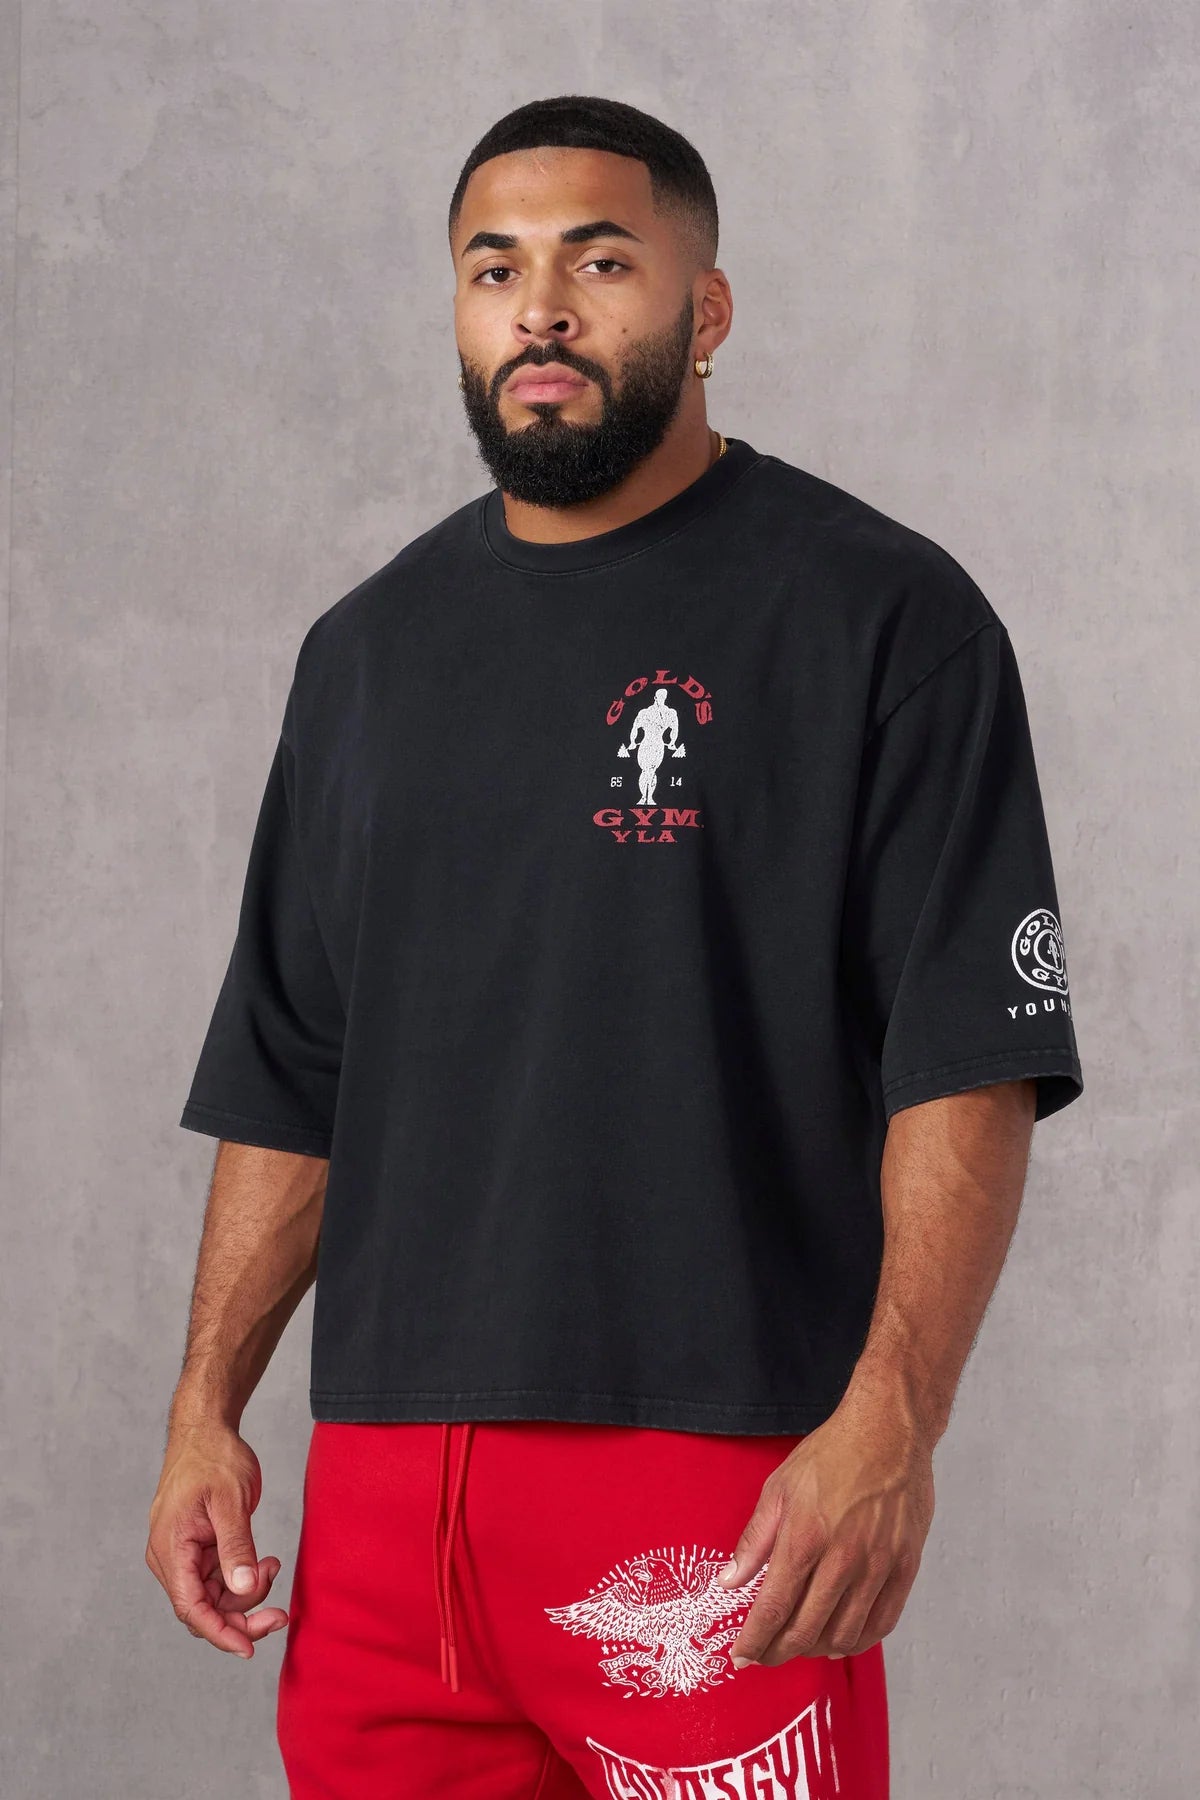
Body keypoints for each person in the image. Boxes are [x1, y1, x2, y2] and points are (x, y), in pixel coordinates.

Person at [146, 93, 1084, 1799]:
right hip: (382, 1501)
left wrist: (895, 1418)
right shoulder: (363, 654)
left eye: (599, 264)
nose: (542, 311)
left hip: (710, 1478)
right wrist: (207, 1405)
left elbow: (968, 1058)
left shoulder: (884, 618)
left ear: (704, 310)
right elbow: (294, 1065)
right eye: (493, 269)